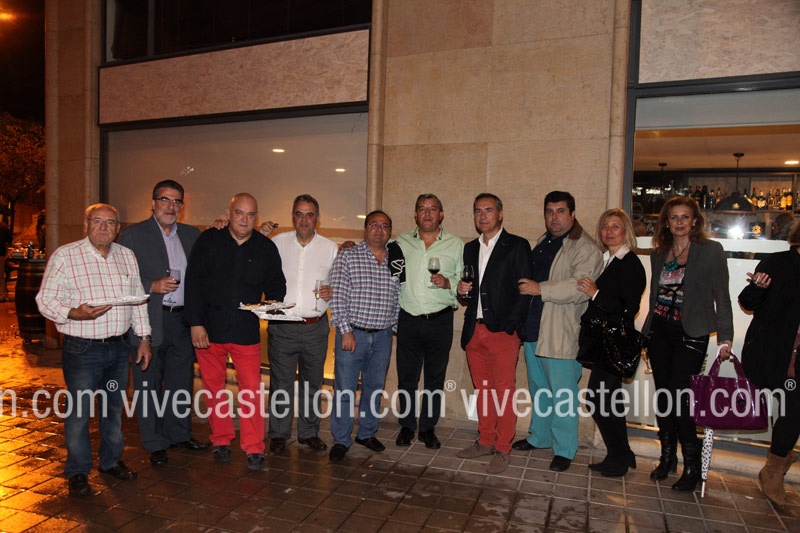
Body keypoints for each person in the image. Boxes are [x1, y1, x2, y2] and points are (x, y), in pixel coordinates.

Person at [35, 203, 152, 497]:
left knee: (113, 408)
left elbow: (137, 300)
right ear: (86, 224)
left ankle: (110, 461)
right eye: (97, 221)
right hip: (82, 349)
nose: (103, 227)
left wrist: (144, 337)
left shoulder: (127, 256)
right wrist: (74, 313)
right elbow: (45, 299)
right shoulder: (66, 256)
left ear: (118, 228)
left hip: (118, 349)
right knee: (79, 412)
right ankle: (77, 470)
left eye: (110, 222)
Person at [184, 193, 286, 471]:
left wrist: (271, 304)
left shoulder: (266, 248)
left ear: (256, 217)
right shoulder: (209, 240)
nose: (244, 219)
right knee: (214, 389)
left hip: (246, 331)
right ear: (229, 213)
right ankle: (221, 441)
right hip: (209, 330)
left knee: (251, 392)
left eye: (250, 214)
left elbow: (277, 285)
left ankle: (254, 447)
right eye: (239, 213)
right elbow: (193, 283)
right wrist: (195, 323)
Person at [642, 196, 733, 492]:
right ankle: (667, 457)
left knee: (681, 397)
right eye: (674, 217)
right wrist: (646, 333)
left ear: (695, 221)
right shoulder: (659, 252)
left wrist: (726, 335)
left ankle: (692, 466)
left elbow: (722, 294)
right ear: (666, 222)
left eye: (685, 217)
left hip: (692, 333)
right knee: (664, 397)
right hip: (660, 331)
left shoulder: (711, 250)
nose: (679, 222)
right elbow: (655, 296)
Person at [117, 180, 208, 467]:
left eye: (176, 201)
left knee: (181, 382)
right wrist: (151, 285)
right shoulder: (133, 235)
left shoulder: (192, 234)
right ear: (153, 203)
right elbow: (119, 278)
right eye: (165, 200)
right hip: (149, 320)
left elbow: (203, 274)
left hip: (182, 320)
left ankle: (179, 434)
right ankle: (154, 442)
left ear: (183, 206)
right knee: (148, 384)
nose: (171, 206)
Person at [513, 191, 602, 473]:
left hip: (560, 331)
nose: (554, 217)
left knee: (563, 395)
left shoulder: (585, 247)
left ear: (572, 214)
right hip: (534, 328)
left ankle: (564, 449)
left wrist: (541, 289)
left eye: (560, 211)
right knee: (540, 389)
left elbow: (581, 287)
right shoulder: (544, 242)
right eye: (549, 211)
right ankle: (539, 437)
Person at [456, 193, 531, 474]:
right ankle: (485, 439)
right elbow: (470, 290)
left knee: (504, 392)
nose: (483, 216)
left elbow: (525, 290)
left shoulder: (517, 245)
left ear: (500, 214)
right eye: (478, 211)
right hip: (473, 330)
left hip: (502, 333)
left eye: (488, 210)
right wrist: (461, 291)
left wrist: (510, 327)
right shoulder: (469, 248)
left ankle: (502, 447)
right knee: (483, 390)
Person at [577, 209, 646, 477]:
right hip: (604, 341)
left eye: (615, 226)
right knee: (610, 402)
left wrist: (596, 294)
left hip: (615, 342)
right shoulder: (608, 260)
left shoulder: (630, 263)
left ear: (626, 230)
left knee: (597, 399)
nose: (608, 231)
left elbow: (629, 309)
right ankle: (623, 454)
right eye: (605, 226)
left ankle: (618, 456)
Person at [267, 194, 338, 454]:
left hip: (315, 327)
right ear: (293, 217)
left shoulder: (331, 248)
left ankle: (309, 433)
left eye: (310, 215)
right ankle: (278, 433)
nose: (304, 220)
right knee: (281, 383)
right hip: (282, 326)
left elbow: (340, 284)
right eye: (299, 214)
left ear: (318, 218)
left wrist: (332, 291)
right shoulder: (277, 243)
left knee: (313, 383)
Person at [328, 210, 401, 461]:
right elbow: (338, 295)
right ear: (365, 229)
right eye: (374, 225)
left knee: (374, 388)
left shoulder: (395, 260)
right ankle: (341, 439)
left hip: (382, 337)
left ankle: (367, 433)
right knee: (345, 389)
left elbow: (398, 295)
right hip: (353, 334)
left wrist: (393, 327)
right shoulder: (348, 256)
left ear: (390, 232)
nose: (379, 230)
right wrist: (345, 331)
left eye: (385, 226)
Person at [738, 221, 800, 506]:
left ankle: (776, 464)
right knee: (792, 407)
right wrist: (758, 288)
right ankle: (775, 469)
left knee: (793, 409)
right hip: (775, 351)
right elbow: (747, 302)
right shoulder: (777, 262)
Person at [395, 194, 463, 449]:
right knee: (407, 378)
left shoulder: (456, 244)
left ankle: (427, 428)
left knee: (435, 379)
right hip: (408, 319)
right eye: (422, 209)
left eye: (432, 209)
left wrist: (448, 282)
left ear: (441, 214)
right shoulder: (400, 242)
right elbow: (375, 253)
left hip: (440, 320)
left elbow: (464, 280)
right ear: (415, 214)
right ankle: (406, 426)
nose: (427, 214)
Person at [0, 216, 11, 301]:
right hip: (1, 253)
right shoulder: (4, 227)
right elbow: (9, 240)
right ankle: (2, 293)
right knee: (1, 274)